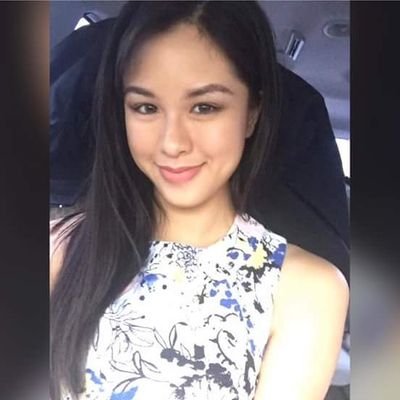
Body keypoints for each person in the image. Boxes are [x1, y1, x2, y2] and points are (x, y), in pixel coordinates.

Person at [50, 2, 349, 399]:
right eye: (146, 107)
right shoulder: (62, 246)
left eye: (204, 107)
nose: (173, 143)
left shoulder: (305, 288)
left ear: (251, 114)